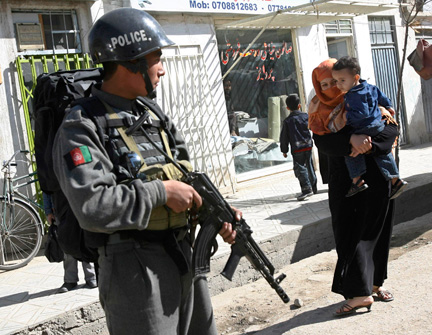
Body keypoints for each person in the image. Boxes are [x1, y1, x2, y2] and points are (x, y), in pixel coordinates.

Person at [52, 8, 237, 335]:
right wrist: (161, 192)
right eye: (156, 59)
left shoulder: (152, 114)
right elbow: (93, 207)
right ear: (129, 63)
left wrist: (216, 211)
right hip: (133, 268)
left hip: (184, 255)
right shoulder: (81, 126)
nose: (162, 70)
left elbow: (186, 176)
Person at [309, 58, 398, 316]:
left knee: (379, 232)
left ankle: (374, 284)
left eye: (333, 82)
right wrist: (351, 140)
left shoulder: (365, 97)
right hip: (346, 184)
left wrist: (368, 144)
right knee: (350, 234)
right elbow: (323, 144)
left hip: (378, 176)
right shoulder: (319, 112)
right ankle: (359, 293)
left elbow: (392, 128)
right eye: (323, 84)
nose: (329, 88)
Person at [332, 56, 407, 198]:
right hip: (377, 125)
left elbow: (362, 114)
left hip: (363, 127)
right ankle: (396, 180)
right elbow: (382, 97)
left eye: (342, 80)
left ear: (356, 77)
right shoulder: (370, 87)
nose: (338, 85)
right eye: (336, 81)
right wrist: (388, 107)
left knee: (352, 153)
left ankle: (357, 180)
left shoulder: (354, 94)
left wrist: (346, 117)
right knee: (382, 154)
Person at [42, 193, 97, 293]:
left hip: (80, 204)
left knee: (84, 239)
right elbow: (46, 187)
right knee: (67, 243)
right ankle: (70, 280)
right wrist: (48, 211)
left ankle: (91, 276)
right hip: (60, 208)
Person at [279, 93, 317, 201]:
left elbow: (284, 137)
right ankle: (313, 187)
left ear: (287, 108)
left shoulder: (287, 121)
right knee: (309, 166)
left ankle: (306, 189)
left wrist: (284, 150)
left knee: (300, 168)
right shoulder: (305, 116)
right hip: (308, 145)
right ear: (299, 105)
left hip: (297, 148)